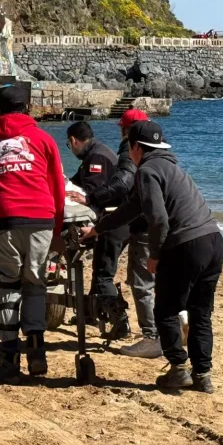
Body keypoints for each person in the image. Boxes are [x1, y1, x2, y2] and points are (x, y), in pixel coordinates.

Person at [82, 121, 223, 393]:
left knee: (166, 310)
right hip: (214, 241)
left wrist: (156, 255)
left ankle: (179, 368)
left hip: (186, 244)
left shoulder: (147, 170)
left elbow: (158, 219)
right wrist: (97, 229)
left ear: (136, 147)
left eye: (129, 147)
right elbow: (131, 209)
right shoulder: (171, 167)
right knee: (200, 312)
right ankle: (203, 374)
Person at [0, 85, 66, 384]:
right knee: (35, 283)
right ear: (27, 108)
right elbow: (56, 187)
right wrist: (57, 227)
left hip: (5, 221)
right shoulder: (43, 139)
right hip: (41, 218)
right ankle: (37, 350)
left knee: (8, 286)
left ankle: (9, 355)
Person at [66, 108, 160, 357]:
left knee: (115, 276)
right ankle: (152, 327)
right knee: (147, 279)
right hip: (147, 221)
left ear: (127, 131)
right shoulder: (159, 152)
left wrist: (91, 199)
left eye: (122, 128)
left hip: (130, 219)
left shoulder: (130, 150)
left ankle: (134, 328)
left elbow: (123, 183)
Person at [66, 121, 130, 338]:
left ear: (73, 141)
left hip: (113, 221)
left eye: (69, 145)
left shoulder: (98, 157)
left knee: (103, 273)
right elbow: (75, 183)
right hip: (116, 220)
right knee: (99, 268)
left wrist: (92, 227)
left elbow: (95, 195)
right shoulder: (92, 155)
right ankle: (92, 314)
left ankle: (121, 321)